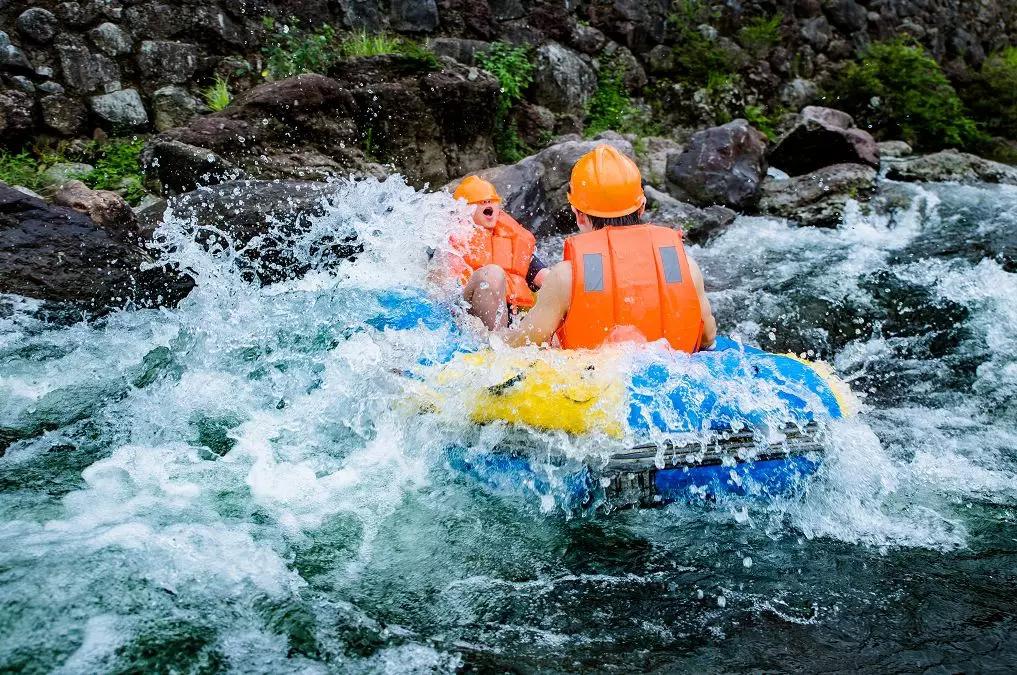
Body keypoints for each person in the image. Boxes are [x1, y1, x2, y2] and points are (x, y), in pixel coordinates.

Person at [498, 144, 716, 351]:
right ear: (641, 207)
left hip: (598, 383)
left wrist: (490, 335)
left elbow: (521, 345)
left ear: (579, 215)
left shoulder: (567, 277)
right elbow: (707, 337)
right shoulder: (686, 267)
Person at [450, 176, 548, 330]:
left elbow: (547, 278)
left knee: (563, 275)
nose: (487, 203)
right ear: (463, 209)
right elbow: (438, 293)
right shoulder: (451, 244)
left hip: (512, 321)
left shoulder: (513, 242)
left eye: (490, 200)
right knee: (492, 274)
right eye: (479, 201)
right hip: (469, 317)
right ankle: (493, 341)